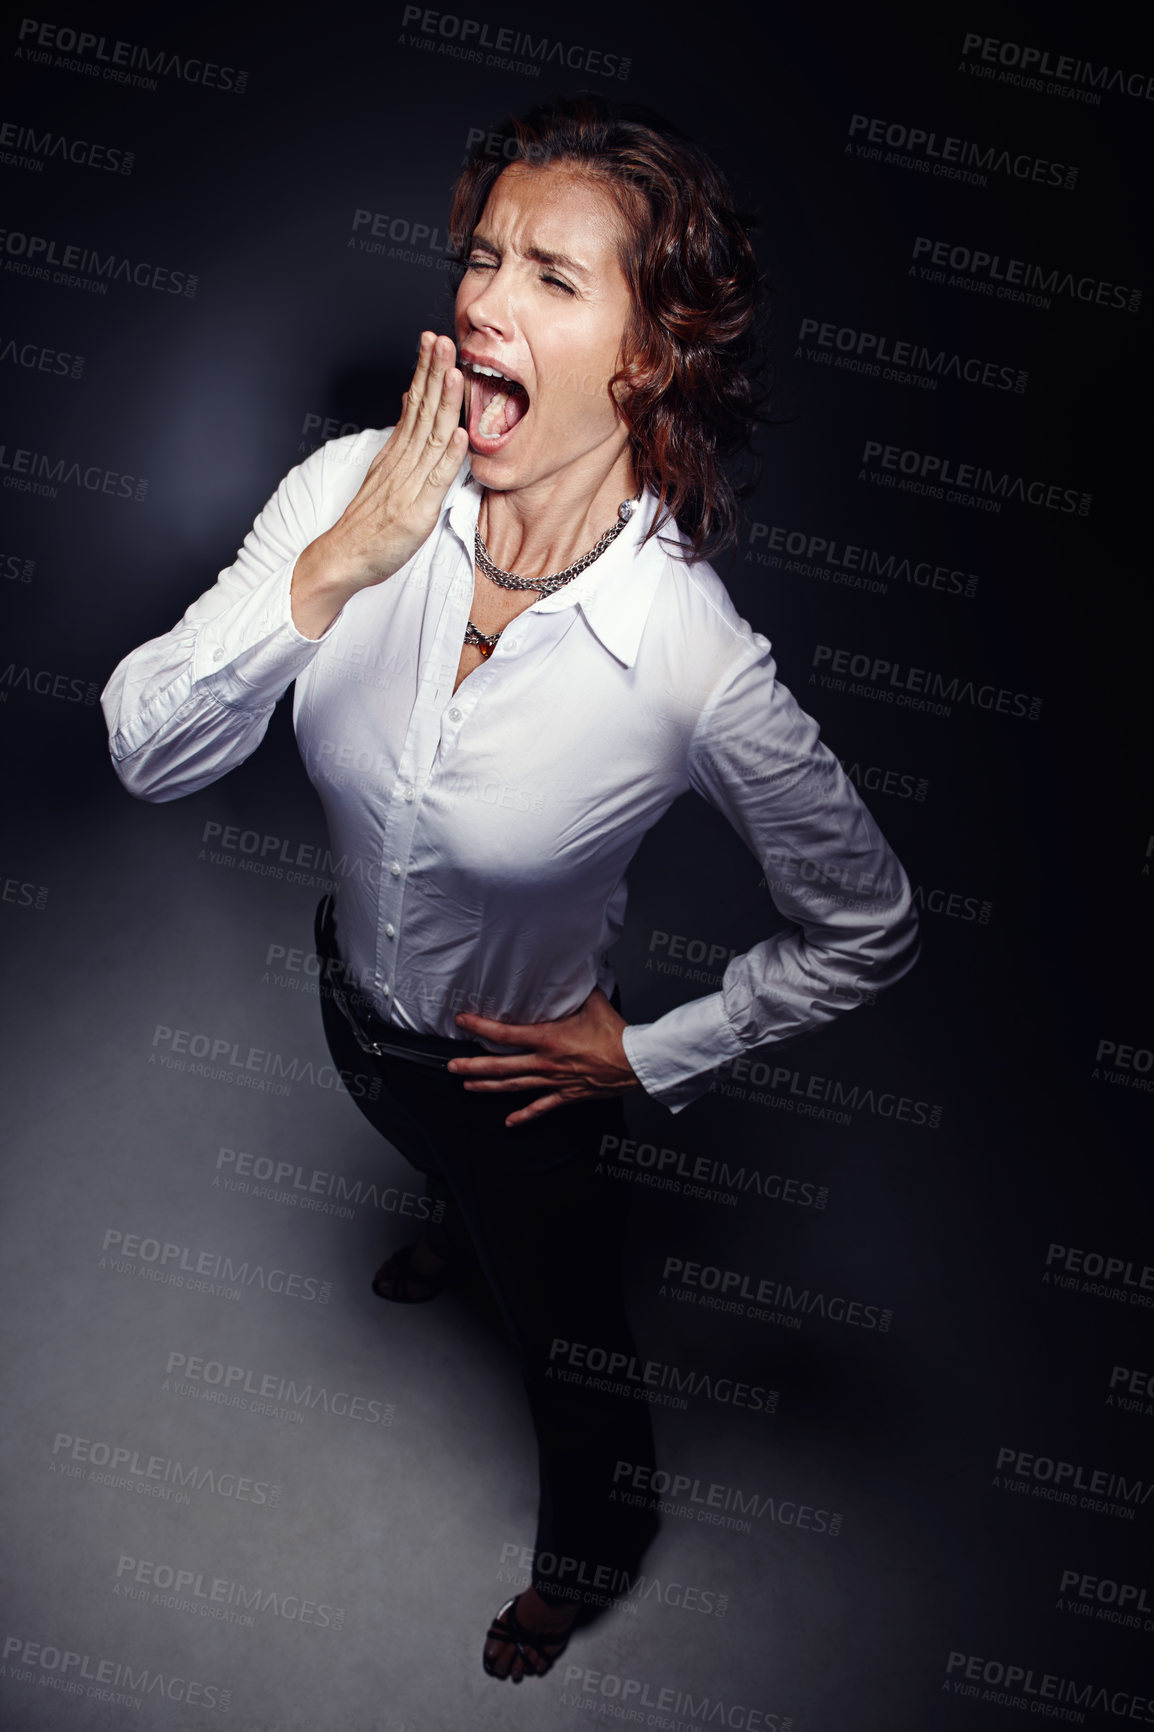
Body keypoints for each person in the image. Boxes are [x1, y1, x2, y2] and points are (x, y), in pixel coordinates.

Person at [101, 93, 919, 1683]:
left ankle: (591, 1556)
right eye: (482, 257)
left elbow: (867, 926)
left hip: (520, 1092)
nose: (482, 301)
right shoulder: (353, 486)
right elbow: (146, 754)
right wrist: (335, 566)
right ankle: (449, 1222)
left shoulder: (686, 656)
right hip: (355, 1015)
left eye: (552, 275)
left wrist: (648, 1050)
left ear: (648, 355)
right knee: (423, 1155)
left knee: (566, 1336)